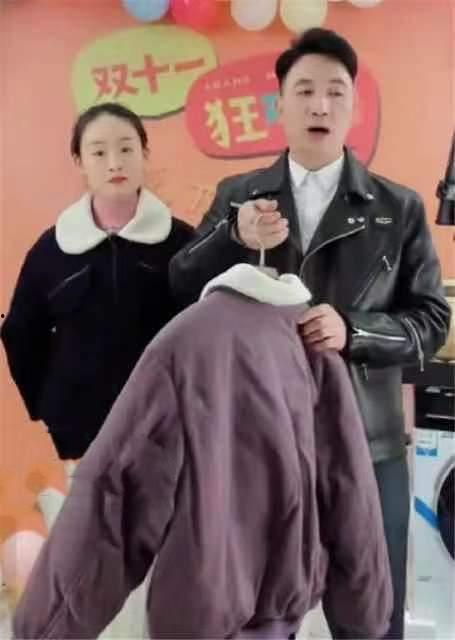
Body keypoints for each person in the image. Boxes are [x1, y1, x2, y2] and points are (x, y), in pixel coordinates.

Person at [169, 28, 451, 639]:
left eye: (335, 91)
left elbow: (432, 321)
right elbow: (181, 285)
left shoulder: (399, 208)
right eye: (304, 91)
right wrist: (231, 235)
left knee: (372, 616)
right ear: (281, 104)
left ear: (353, 106)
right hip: (258, 444)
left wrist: (355, 330)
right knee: (256, 615)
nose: (320, 105)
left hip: (368, 447)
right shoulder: (240, 196)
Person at [12, 262, 393, 639]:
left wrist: (44, 629)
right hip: (285, 619)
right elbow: (350, 488)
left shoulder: (184, 343)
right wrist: (364, 616)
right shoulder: (313, 337)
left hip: (198, 618)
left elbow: (114, 497)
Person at [1, 102, 193, 461]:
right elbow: (20, 333)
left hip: (167, 429)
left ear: (144, 154)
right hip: (80, 436)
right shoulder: (52, 248)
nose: (114, 163)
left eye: (126, 149)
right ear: (79, 162)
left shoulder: (182, 242)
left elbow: (205, 335)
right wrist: (49, 405)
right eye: (99, 152)